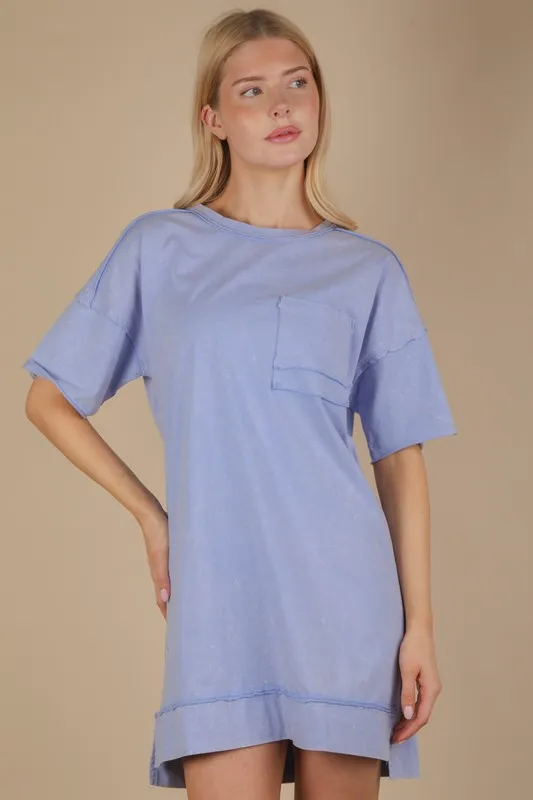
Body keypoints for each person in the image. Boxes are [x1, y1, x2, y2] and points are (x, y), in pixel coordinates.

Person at [22, 8, 458, 800]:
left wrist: (419, 628)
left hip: (345, 602)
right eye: (252, 91)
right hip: (219, 607)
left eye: (297, 83)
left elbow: (400, 457)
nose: (281, 105)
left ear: (319, 101)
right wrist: (154, 520)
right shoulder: (160, 248)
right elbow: (48, 398)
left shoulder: (366, 270)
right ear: (214, 119)